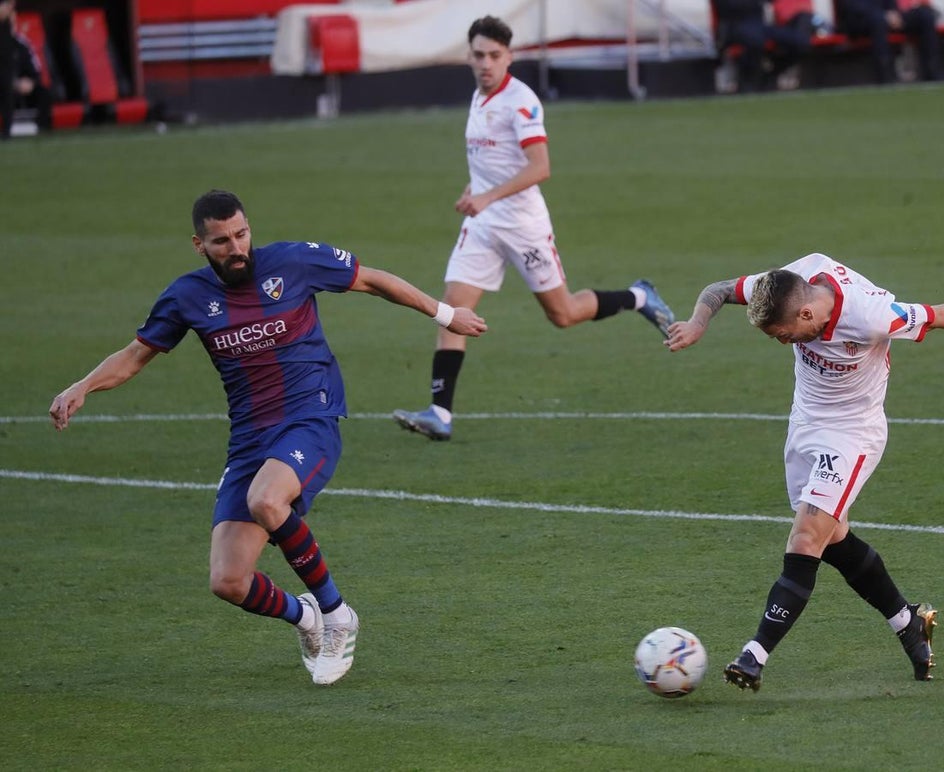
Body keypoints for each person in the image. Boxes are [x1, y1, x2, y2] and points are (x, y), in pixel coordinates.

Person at [49, 190, 487, 685]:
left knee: (266, 499)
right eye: (222, 241)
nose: (236, 247)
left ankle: (338, 614)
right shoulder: (187, 297)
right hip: (250, 441)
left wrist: (447, 316)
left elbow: (373, 280)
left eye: (241, 234)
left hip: (309, 419)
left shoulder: (294, 262)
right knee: (229, 581)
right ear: (200, 244)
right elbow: (135, 355)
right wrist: (82, 386)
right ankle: (306, 617)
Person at [664, 253, 944, 690]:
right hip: (804, 424)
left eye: (784, 335)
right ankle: (907, 622)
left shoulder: (871, 315)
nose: (783, 343)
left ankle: (754, 655)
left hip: (851, 435)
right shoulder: (788, 281)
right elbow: (720, 289)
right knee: (832, 537)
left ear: (806, 312)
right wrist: (698, 323)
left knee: (805, 537)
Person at [391, 15, 675, 442]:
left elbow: (540, 167)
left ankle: (638, 296)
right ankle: (440, 413)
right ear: (469, 56)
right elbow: (490, 159)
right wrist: (476, 190)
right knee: (451, 308)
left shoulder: (520, 101)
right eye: (479, 55)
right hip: (484, 225)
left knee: (562, 314)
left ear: (509, 56)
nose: (486, 63)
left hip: (523, 227)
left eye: (494, 55)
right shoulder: (478, 96)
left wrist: (487, 196)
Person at [712, 0, 814, 92]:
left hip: (759, 27)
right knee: (754, 41)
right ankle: (749, 81)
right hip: (735, 27)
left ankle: (771, 74)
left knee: (801, 41)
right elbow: (728, 7)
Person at [834, 0, 944, 82]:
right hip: (858, 21)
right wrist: (884, 15)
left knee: (925, 16)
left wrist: (894, 13)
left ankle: (933, 71)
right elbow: (851, 7)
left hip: (884, 17)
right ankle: (885, 76)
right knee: (878, 21)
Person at [0, 0, 51, 139]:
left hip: (20, 86)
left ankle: (40, 128)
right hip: (5, 85)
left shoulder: (21, 44)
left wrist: (31, 82)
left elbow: (35, 67)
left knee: (44, 92)